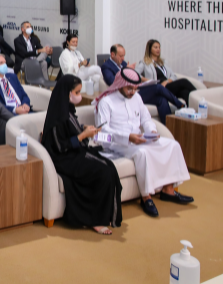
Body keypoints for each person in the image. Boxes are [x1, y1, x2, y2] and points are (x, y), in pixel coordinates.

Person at [94, 68, 193, 217]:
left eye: (135, 88)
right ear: (120, 84)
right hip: (116, 143)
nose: (133, 92)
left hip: (139, 139)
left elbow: (146, 119)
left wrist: (151, 131)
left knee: (172, 145)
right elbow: (102, 131)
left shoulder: (137, 98)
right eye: (129, 88)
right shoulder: (106, 102)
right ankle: (146, 198)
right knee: (142, 153)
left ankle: (168, 190)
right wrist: (128, 137)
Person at [42, 75, 122, 234]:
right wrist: (83, 135)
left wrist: (85, 129)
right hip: (63, 158)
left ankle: (106, 214)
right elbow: (60, 146)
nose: (79, 96)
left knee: (109, 167)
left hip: (74, 153)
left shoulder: (68, 108)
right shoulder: (58, 115)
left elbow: (71, 128)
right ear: (67, 93)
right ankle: (96, 220)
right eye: (77, 92)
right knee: (103, 172)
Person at [102, 44, 183, 124]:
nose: (123, 58)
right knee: (158, 87)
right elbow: (111, 81)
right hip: (126, 94)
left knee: (161, 99)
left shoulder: (123, 63)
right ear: (113, 54)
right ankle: (180, 105)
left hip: (136, 89)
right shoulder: (106, 66)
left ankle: (167, 127)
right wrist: (125, 71)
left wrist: (134, 74)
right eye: (120, 56)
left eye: (124, 56)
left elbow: (132, 78)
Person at [136, 39, 196, 106]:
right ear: (149, 49)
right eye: (155, 47)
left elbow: (173, 76)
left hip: (167, 85)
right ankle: (198, 95)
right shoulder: (144, 63)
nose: (158, 49)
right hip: (158, 87)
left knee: (185, 92)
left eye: (159, 47)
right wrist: (147, 80)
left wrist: (166, 82)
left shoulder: (164, 62)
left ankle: (188, 110)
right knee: (184, 81)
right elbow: (135, 74)